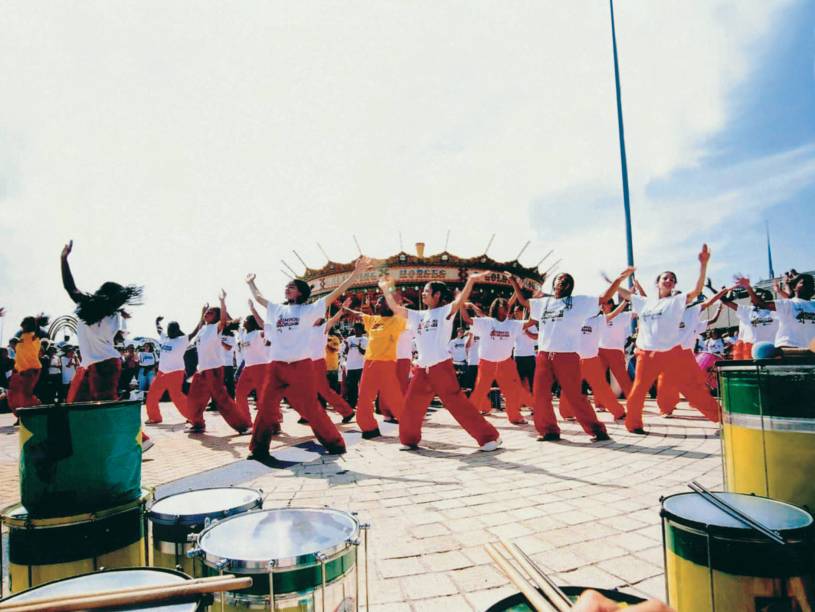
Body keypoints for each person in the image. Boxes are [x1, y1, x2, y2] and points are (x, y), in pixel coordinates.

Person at [245, 257, 374, 458]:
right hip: (276, 366)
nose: (287, 289)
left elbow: (335, 293)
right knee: (265, 407)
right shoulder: (277, 309)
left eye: (292, 287)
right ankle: (259, 449)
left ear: (302, 293)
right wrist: (251, 282)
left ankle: (335, 443)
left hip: (301, 366)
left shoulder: (309, 310)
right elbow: (260, 298)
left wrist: (355, 275)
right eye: (287, 286)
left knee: (311, 407)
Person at [379, 271, 502, 451]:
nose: (423, 294)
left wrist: (471, 281)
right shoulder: (417, 315)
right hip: (422, 368)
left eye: (427, 291)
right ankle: (409, 439)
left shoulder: (444, 312)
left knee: (457, 404)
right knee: (411, 405)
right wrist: (385, 290)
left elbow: (459, 302)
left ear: (437, 295)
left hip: (441, 367)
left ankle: (490, 437)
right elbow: (396, 309)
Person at [509, 269, 632, 442]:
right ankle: (549, 430)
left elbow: (604, 297)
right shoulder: (543, 303)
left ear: (571, 288)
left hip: (567, 356)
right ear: (554, 284)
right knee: (540, 394)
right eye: (560, 279)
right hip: (544, 355)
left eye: (567, 281)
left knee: (575, 396)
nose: (562, 282)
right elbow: (523, 301)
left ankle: (598, 430)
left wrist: (618, 280)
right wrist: (514, 283)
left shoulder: (579, 302)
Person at [615, 245, 721, 434]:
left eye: (672, 279)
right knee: (638, 390)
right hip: (646, 353)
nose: (669, 280)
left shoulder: (677, 300)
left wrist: (703, 264)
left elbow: (696, 291)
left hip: (672, 352)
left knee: (691, 389)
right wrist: (620, 277)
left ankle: (721, 418)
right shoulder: (645, 301)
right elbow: (621, 292)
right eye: (666, 277)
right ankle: (633, 424)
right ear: (658, 282)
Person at [61, 240, 142, 402]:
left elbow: (70, 287)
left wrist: (63, 260)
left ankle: (130, 428)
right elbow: (117, 336)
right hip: (92, 364)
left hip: (105, 365)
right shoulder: (112, 315)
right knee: (77, 404)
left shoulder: (93, 308)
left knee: (105, 405)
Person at [185, 291, 253, 434]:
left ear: (215, 317)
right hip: (202, 369)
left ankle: (243, 426)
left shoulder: (216, 327)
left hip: (214, 369)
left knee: (222, 400)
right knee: (194, 398)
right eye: (206, 313)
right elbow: (201, 323)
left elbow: (223, 320)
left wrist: (222, 302)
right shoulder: (203, 328)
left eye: (210, 313)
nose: (207, 314)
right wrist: (202, 312)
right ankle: (198, 424)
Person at [657, 288, 728, 418]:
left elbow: (709, 302)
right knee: (665, 383)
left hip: (686, 354)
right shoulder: (665, 313)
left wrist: (722, 292)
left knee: (697, 383)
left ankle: (716, 414)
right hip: (668, 353)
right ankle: (666, 409)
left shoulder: (692, 311)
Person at [344, 293, 407, 438]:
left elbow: (405, 313)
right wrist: (346, 309)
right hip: (369, 363)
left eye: (380, 302)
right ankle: (369, 428)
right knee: (364, 397)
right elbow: (359, 315)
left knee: (394, 398)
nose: (377, 304)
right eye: (377, 302)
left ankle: (409, 426)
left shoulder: (398, 321)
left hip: (387, 364)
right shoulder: (373, 320)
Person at [463, 297, 534, 425]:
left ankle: (515, 417)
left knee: (512, 391)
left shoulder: (512, 324)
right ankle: (469, 417)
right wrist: (461, 305)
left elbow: (530, 322)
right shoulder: (486, 322)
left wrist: (535, 307)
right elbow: (467, 319)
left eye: (505, 311)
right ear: (494, 311)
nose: (503, 315)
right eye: (500, 312)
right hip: (487, 362)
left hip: (505, 362)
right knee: (480, 390)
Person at [145, 314, 203, 424]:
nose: (170, 331)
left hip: (175, 373)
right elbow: (159, 330)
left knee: (176, 397)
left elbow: (196, 331)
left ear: (177, 331)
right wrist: (157, 321)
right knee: (152, 394)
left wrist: (202, 315)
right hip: (161, 373)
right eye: (169, 329)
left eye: (172, 330)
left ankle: (193, 416)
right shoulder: (165, 338)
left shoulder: (182, 340)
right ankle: (155, 417)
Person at [306, 300, 355, 421]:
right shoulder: (305, 329)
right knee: (307, 389)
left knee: (324, 391)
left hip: (318, 362)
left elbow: (333, 320)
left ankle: (347, 411)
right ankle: (307, 414)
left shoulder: (322, 328)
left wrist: (342, 310)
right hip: (306, 363)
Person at [736, 274, 815, 349]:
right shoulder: (788, 304)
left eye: (811, 283)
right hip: (790, 350)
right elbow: (761, 304)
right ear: (794, 287)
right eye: (803, 283)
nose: (809, 285)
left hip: (810, 352)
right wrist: (748, 287)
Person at [720, 288, 778, 359]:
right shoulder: (747, 310)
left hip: (770, 350)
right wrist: (727, 292)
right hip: (750, 350)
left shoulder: (776, 312)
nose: (752, 300)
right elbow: (725, 301)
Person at [7, 314, 49, 413]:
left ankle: (39, 409)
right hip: (19, 370)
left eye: (24, 323)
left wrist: (37, 323)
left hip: (31, 369)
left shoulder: (34, 337)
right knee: (13, 394)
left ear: (28, 325)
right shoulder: (22, 337)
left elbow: (39, 345)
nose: (22, 325)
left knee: (26, 394)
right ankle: (23, 413)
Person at [597, 299, 634, 400]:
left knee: (623, 379)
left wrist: (629, 298)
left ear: (611, 304)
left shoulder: (622, 316)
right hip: (600, 351)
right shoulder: (598, 318)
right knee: (599, 379)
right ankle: (599, 403)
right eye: (601, 304)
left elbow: (641, 310)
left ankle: (633, 401)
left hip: (616, 351)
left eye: (605, 303)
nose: (602, 306)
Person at [512, 304, 537, 394]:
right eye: (514, 312)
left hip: (529, 355)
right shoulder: (514, 325)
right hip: (518, 355)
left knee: (532, 380)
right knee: (518, 380)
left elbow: (536, 337)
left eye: (516, 312)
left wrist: (527, 332)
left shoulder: (530, 324)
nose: (515, 314)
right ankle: (520, 401)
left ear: (522, 312)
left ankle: (534, 401)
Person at [342, 323, 367, 408]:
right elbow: (345, 352)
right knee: (351, 386)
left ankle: (363, 403)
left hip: (361, 365)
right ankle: (352, 403)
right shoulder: (349, 338)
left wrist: (359, 346)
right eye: (355, 329)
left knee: (362, 385)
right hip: (351, 365)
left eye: (357, 329)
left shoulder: (365, 339)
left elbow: (364, 352)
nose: (355, 330)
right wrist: (346, 345)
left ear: (361, 330)